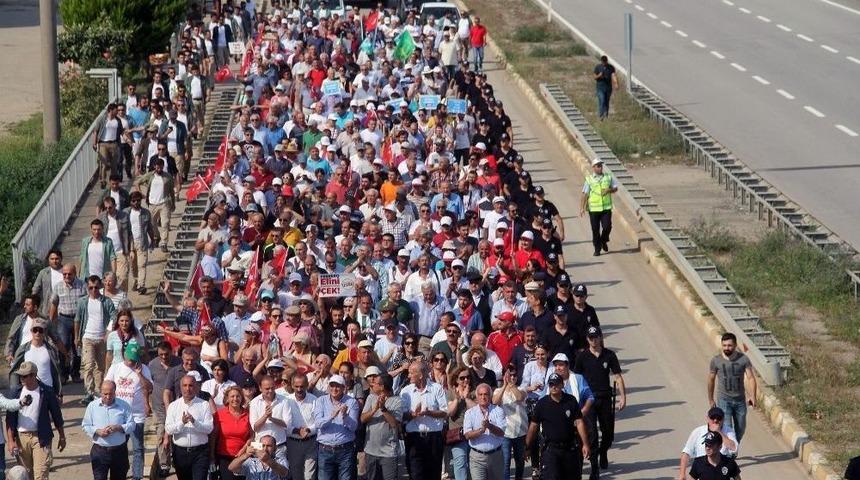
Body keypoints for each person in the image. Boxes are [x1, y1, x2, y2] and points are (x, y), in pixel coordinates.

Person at [573, 326, 626, 472]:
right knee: (593, 434)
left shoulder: (609, 355)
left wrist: (623, 397)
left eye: (596, 337)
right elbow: (576, 378)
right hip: (588, 400)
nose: (594, 340)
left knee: (608, 433)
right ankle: (595, 467)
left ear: (600, 338)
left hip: (605, 398)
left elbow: (617, 376)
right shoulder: (582, 356)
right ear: (587, 339)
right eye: (591, 338)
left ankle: (603, 451)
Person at [4, 361, 67, 480]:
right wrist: (11, 441)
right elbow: (10, 419)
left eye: (24, 376)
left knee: (41, 475)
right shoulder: (15, 392)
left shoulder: (47, 391)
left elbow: (57, 415)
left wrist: (62, 436)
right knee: (26, 475)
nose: (21, 378)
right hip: (21, 438)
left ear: (33, 375)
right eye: (20, 375)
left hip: (41, 437)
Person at [526, 373, 589, 480]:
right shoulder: (542, 404)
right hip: (551, 450)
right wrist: (527, 447)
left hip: (569, 449)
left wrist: (585, 444)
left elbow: (579, 422)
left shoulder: (571, 401)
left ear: (562, 385)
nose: (553, 387)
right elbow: (533, 427)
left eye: (556, 384)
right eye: (551, 385)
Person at [104, 343, 153, 480]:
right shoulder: (116, 368)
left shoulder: (144, 369)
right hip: (119, 415)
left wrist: (140, 375)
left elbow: (149, 388)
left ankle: (137, 476)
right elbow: (106, 386)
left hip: (136, 415)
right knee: (119, 447)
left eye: (134, 359)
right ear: (124, 354)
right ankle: (120, 473)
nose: (131, 362)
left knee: (137, 448)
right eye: (129, 358)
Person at [75, 275, 118, 404]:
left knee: (100, 367)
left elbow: (114, 316)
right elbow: (77, 319)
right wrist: (76, 337)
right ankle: (89, 391)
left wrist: (108, 332)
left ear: (100, 287)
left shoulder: (106, 301)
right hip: (87, 337)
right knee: (88, 366)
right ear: (87, 288)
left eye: (96, 287)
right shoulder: (82, 302)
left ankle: (99, 391)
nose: (93, 290)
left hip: (101, 338)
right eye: (90, 288)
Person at [400, 362, 447, 480]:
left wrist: (429, 413)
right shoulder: (406, 392)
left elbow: (445, 412)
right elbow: (401, 415)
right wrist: (413, 415)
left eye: (411, 373)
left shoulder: (437, 388)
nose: (408, 375)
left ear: (421, 375)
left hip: (434, 438)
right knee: (415, 474)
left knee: (434, 474)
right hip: (414, 438)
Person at [81, 380, 136, 480]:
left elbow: (132, 425)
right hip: (100, 451)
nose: (108, 396)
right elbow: (85, 425)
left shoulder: (124, 405)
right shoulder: (92, 406)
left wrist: (119, 427)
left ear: (115, 392)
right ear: (100, 392)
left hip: (119, 451)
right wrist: (98, 431)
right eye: (105, 394)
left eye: (111, 394)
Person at [707, 333, 756, 443]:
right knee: (728, 427)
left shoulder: (743, 359)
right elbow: (711, 379)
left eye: (729, 345)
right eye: (724, 345)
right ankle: (730, 451)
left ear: (735, 345)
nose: (726, 348)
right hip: (724, 399)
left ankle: (735, 445)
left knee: (741, 429)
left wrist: (753, 396)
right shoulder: (716, 360)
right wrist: (710, 399)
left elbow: (751, 378)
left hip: (740, 400)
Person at [165, 375, 214, 480]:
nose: (188, 389)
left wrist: (194, 422)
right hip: (180, 453)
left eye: (191, 385)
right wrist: (182, 423)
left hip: (200, 453)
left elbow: (209, 428)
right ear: (181, 387)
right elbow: (168, 429)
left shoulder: (204, 404)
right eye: (185, 385)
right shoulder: (173, 406)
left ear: (196, 387)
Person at [313, 374, 361, 480]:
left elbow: (353, 427)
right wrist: (331, 416)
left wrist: (345, 416)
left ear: (344, 388)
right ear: (328, 387)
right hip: (325, 449)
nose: (334, 389)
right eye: (332, 386)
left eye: (338, 386)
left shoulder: (351, 402)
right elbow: (318, 424)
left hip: (345, 449)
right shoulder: (321, 401)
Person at [361, 373, 403, 480]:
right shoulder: (371, 397)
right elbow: (362, 419)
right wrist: (374, 409)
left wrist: (383, 409)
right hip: (370, 451)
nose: (372, 385)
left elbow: (394, 424)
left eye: (375, 383)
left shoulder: (397, 401)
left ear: (382, 386)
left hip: (388, 453)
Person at [678, 407, 739, 479]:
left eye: (719, 418)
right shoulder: (698, 431)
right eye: (712, 417)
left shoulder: (728, 431)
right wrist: (682, 474)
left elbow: (734, 449)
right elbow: (686, 453)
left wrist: (719, 431)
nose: (715, 420)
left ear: (723, 420)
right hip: (702, 470)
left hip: (721, 469)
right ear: (707, 418)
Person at [463, 383, 507, 480]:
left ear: (490, 396)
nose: (483, 397)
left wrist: (489, 426)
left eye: (486, 394)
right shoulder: (470, 413)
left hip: (496, 457)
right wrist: (481, 431)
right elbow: (467, 435)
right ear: (476, 397)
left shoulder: (498, 411)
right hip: (477, 458)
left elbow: (501, 433)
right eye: (480, 394)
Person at [493, 366, 528, 480]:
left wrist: (511, 385)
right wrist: (504, 385)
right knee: (506, 461)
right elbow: (495, 402)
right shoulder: (498, 391)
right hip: (505, 432)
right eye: (509, 375)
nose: (512, 377)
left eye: (514, 375)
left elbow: (519, 397)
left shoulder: (522, 389)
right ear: (504, 376)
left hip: (520, 431)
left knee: (520, 462)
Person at [213, 386, 253, 480]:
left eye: (238, 396)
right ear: (227, 398)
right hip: (224, 456)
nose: (235, 399)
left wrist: (243, 450)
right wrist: (212, 456)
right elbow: (214, 436)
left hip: (243, 456)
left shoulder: (248, 414)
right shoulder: (219, 414)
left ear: (241, 398)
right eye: (232, 396)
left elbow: (252, 435)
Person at [579, 158, 617, 257]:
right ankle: (597, 248)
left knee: (607, 226)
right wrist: (582, 207)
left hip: (606, 208)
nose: (600, 167)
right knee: (595, 230)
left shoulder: (608, 177)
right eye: (598, 166)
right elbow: (585, 194)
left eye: (601, 165)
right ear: (593, 167)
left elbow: (615, 188)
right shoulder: (589, 179)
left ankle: (603, 240)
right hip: (594, 209)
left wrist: (609, 190)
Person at [284, 373, 319, 480]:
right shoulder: (287, 400)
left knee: (310, 476)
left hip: (311, 443)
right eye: (296, 386)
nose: (299, 389)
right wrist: (298, 431)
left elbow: (318, 423)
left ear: (307, 385)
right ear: (292, 385)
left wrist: (308, 430)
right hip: (293, 443)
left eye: (302, 386)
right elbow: (285, 424)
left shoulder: (314, 400)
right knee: (296, 475)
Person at [250, 375, 292, 453]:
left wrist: (272, 419)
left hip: (279, 446)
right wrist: (265, 416)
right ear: (260, 388)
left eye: (272, 388)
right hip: (260, 446)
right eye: (267, 389)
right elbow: (255, 427)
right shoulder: (254, 402)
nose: (270, 391)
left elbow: (287, 424)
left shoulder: (285, 401)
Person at [593, 55, 618, 120]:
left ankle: (606, 115)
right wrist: (599, 75)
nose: (604, 63)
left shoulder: (611, 68)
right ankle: (601, 116)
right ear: (601, 61)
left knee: (606, 102)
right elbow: (594, 77)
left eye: (605, 62)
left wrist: (616, 84)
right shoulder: (598, 67)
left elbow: (613, 76)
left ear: (607, 61)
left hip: (608, 88)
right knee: (602, 100)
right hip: (600, 88)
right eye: (603, 62)